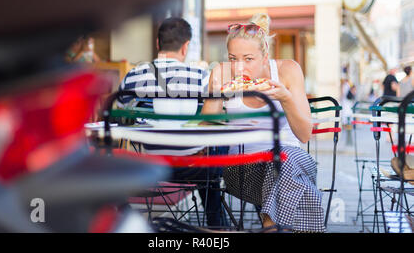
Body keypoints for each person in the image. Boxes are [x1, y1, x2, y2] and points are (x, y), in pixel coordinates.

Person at [201, 13, 325, 233]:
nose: (239, 68)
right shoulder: (221, 73)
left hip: (292, 162)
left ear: (265, 55)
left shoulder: (288, 70)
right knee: (293, 178)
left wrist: (285, 97)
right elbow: (205, 133)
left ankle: (270, 226)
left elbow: (304, 135)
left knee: (285, 161)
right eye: (233, 58)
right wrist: (215, 96)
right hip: (242, 170)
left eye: (248, 59)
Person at [116, 17, 226, 227]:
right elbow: (218, 115)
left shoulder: (134, 76)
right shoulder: (201, 77)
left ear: (158, 44)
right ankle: (215, 223)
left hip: (151, 164)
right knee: (215, 146)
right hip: (197, 166)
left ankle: (127, 218)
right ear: (186, 47)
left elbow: (120, 106)